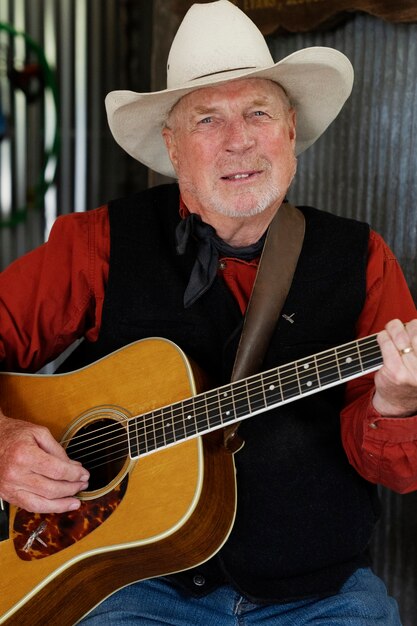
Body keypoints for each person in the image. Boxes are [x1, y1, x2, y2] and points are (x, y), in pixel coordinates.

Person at [0, 1, 417, 624]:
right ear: (171, 146)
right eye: (207, 119)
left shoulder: (362, 259)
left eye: (258, 112)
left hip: (319, 593)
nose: (238, 139)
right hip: (131, 586)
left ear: (290, 131)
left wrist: (397, 404)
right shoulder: (99, 246)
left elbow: (394, 466)